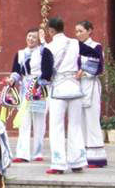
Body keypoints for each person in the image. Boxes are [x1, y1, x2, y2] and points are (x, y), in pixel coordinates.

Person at [41, 17, 99, 174]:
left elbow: (45, 74)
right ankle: (77, 162)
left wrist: (43, 82)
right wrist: (84, 70)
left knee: (57, 127)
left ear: (51, 31)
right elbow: (95, 55)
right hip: (75, 87)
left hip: (58, 89)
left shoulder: (48, 47)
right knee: (75, 126)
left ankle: (58, 164)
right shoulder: (75, 43)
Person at [8, 28, 53, 163]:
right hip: (25, 89)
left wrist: (39, 83)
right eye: (29, 36)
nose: (31, 39)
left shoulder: (42, 51)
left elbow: (48, 67)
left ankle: (38, 152)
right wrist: (12, 79)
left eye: (34, 37)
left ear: (38, 39)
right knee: (24, 121)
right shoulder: (20, 54)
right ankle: (22, 153)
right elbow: (16, 71)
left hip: (39, 88)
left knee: (39, 121)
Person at [75, 20, 108, 168]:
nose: (78, 34)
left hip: (91, 85)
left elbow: (99, 66)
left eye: (81, 31)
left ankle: (97, 157)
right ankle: (82, 155)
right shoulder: (75, 47)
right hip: (77, 86)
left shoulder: (96, 46)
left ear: (90, 31)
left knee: (92, 120)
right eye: (76, 31)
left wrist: (84, 71)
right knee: (79, 120)